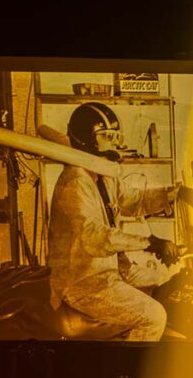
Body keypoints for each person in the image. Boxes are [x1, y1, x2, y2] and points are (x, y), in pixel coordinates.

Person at [47, 102, 181, 341]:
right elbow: (94, 236)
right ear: (87, 139)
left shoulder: (102, 175)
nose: (115, 143)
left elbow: (133, 200)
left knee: (168, 282)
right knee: (154, 316)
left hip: (114, 270)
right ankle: (131, 369)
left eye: (115, 136)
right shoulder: (74, 182)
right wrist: (148, 242)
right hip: (83, 283)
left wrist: (178, 193)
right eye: (106, 136)